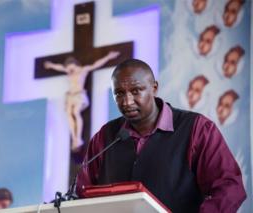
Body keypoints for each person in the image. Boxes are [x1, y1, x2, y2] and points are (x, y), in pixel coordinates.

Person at [76, 59, 246, 212]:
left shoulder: (197, 128)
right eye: (119, 93)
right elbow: (81, 194)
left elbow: (229, 187)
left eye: (136, 91)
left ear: (154, 88)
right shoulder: (105, 137)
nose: (127, 102)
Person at [44, 51, 120, 151]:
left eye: (71, 68)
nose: (69, 70)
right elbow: (59, 67)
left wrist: (108, 57)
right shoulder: (68, 70)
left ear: (75, 65)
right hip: (70, 96)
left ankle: (78, 137)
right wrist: (50, 65)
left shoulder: (83, 70)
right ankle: (74, 138)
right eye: (68, 68)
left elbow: (96, 65)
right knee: (68, 113)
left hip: (79, 95)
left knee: (75, 112)